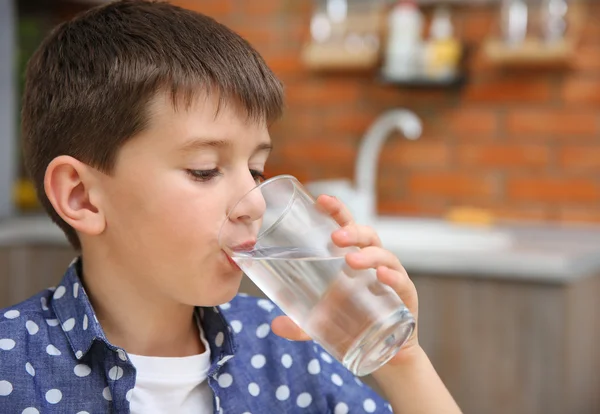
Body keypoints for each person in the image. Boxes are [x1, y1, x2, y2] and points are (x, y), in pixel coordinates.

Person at [0, 1, 462, 413]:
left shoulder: (285, 345)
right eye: (204, 170)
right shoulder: (12, 368)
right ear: (81, 195)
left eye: (256, 170)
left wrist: (402, 362)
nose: (255, 202)